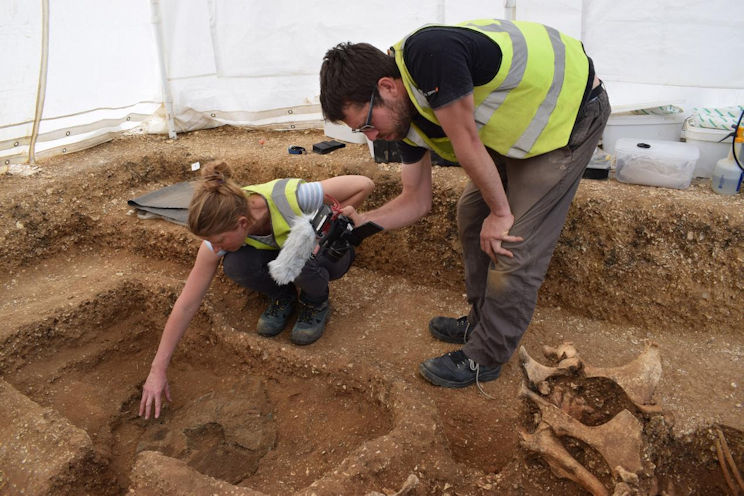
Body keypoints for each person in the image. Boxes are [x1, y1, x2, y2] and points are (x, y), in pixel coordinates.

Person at [319, 19, 610, 390]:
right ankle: (480, 322)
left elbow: (467, 142)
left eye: (366, 124)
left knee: (512, 241)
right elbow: (416, 199)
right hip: (520, 128)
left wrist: (502, 214)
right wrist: (358, 226)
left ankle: (486, 356)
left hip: (568, 114)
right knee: (472, 212)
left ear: (386, 87)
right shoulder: (405, 113)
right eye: (362, 132)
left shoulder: (430, 55)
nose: (372, 137)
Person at [139, 160, 374, 419]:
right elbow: (187, 303)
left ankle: (314, 301)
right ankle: (283, 297)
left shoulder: (291, 198)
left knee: (300, 257)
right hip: (282, 255)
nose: (214, 248)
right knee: (236, 264)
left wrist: (339, 216)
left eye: (218, 241)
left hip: (324, 256)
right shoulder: (223, 226)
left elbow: (364, 184)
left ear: (242, 223)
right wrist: (157, 369)